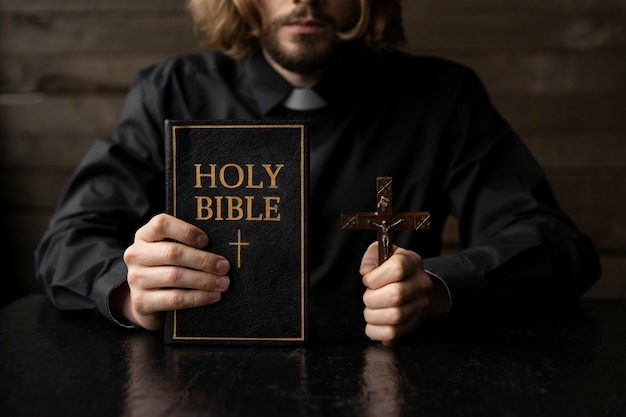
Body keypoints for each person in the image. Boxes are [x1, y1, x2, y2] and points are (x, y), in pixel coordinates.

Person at [35, 0, 601, 343]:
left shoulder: (442, 98)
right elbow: (67, 242)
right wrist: (132, 295)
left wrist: (437, 289)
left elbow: (553, 244)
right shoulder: (170, 91)